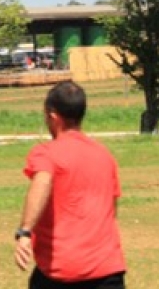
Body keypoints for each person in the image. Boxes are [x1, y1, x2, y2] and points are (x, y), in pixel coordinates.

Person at [14, 81, 126, 288]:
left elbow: (43, 181)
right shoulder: (104, 155)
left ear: (53, 116)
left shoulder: (47, 153)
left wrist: (25, 232)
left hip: (62, 272)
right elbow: (112, 209)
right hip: (108, 270)